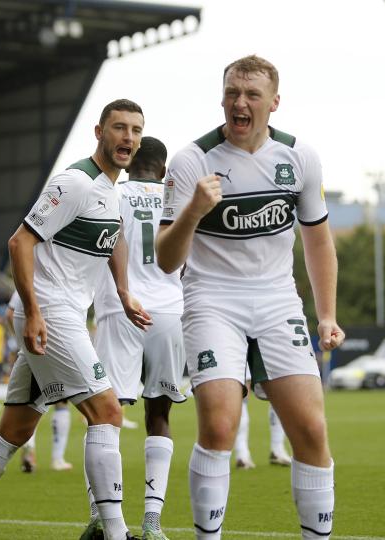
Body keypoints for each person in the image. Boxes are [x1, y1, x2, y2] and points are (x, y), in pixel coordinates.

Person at [0, 99, 148, 540]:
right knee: (105, 412)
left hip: (56, 312)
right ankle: (117, 534)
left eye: (136, 131)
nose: (128, 138)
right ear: (99, 131)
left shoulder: (111, 191)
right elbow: (19, 242)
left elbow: (116, 236)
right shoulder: (75, 183)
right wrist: (32, 311)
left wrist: (123, 292)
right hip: (49, 311)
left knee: (15, 427)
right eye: (119, 128)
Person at [156, 55, 343, 540]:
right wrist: (194, 211)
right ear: (222, 97)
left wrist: (326, 315)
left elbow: (318, 242)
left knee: (312, 431)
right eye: (232, 93)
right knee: (219, 426)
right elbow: (166, 259)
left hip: (279, 300)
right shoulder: (191, 161)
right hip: (212, 299)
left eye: (252, 95)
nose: (240, 103)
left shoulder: (300, 157)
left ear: (274, 103)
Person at [86, 137, 184, 540]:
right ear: (162, 170)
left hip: (120, 309)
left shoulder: (112, 194)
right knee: (159, 414)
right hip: (170, 312)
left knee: (103, 415)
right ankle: (152, 522)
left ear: (129, 166)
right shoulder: (177, 200)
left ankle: (102, 518)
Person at [4, 292, 73, 472]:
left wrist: (22, 342)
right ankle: (57, 459)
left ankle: (30, 449)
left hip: (30, 348)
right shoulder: (55, 276)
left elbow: (10, 314)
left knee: (32, 404)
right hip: (56, 344)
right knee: (61, 402)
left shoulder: (26, 279)